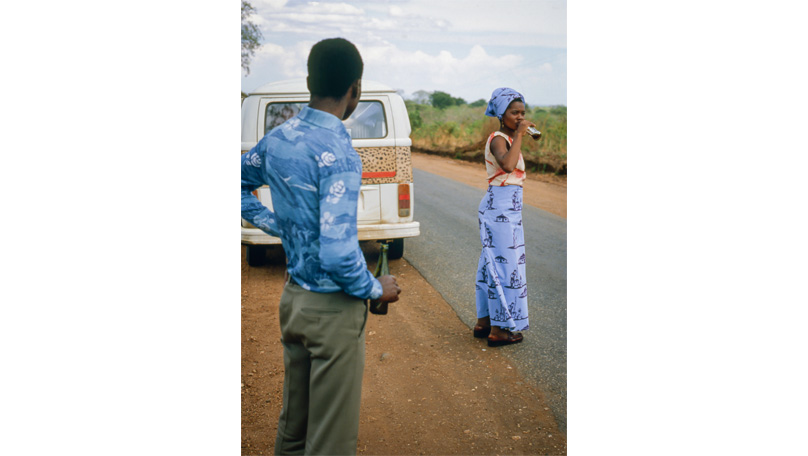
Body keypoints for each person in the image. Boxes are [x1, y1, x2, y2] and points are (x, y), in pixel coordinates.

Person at [240, 38, 401, 455]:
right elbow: (336, 253)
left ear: (309, 81)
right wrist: (375, 288)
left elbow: (236, 183)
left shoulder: (278, 139)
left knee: (293, 432)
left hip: (293, 302)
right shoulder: (340, 154)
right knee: (330, 443)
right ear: (356, 89)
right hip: (332, 312)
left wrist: (278, 224)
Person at [473, 87, 534, 347]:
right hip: (499, 210)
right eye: (514, 112)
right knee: (505, 267)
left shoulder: (508, 137)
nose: (520, 117)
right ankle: (499, 330)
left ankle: (484, 322)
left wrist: (518, 134)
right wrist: (520, 134)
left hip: (508, 209)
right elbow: (507, 166)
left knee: (490, 263)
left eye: (522, 112)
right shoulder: (498, 139)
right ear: (502, 113)